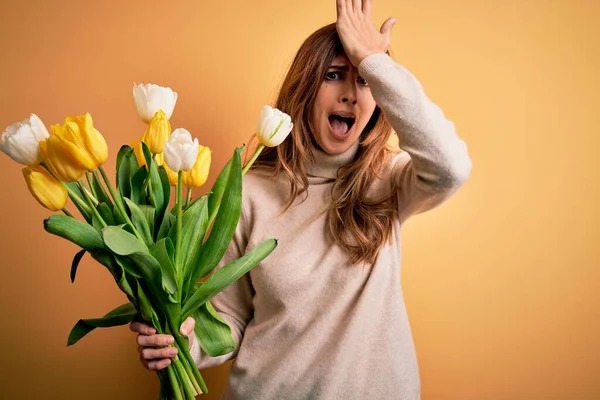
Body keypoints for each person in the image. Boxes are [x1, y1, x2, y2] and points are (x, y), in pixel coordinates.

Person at [129, 0, 472, 399]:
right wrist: (184, 343)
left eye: (363, 81)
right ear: (305, 87)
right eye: (334, 75)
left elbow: (451, 168)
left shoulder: (390, 180)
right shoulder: (249, 192)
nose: (349, 94)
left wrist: (377, 63)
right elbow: (230, 318)